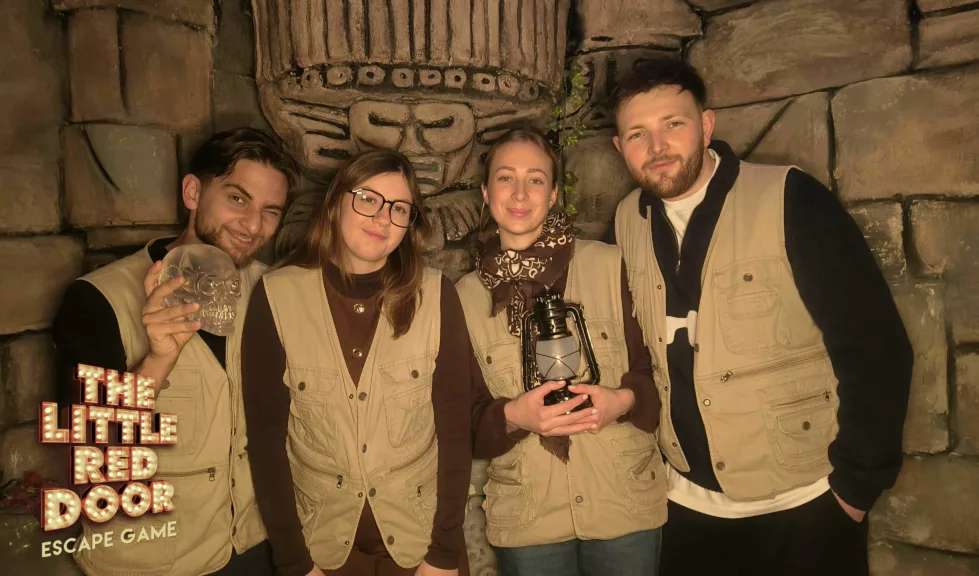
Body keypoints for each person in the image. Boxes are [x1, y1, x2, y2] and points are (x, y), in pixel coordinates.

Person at [606, 59, 914, 575]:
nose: (657, 147)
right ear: (620, 148)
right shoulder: (625, 221)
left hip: (805, 507)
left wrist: (854, 489)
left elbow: (875, 348)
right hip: (684, 509)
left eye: (673, 124)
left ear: (706, 126)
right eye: (638, 134)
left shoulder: (790, 197)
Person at [52, 127, 300, 575]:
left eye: (270, 211)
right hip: (148, 561)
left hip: (250, 549)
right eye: (238, 199)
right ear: (192, 192)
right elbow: (88, 455)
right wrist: (159, 359)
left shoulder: (271, 290)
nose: (252, 225)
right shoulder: (98, 299)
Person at [241, 149, 473, 576]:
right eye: (368, 199)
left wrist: (443, 552)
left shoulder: (438, 296)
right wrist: (293, 561)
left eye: (399, 208)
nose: (383, 218)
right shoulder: (275, 296)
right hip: (322, 548)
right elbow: (266, 438)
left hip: (420, 543)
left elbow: (456, 431)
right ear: (336, 202)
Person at [460, 127, 665, 576]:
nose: (519, 193)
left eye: (535, 179)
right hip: (529, 520)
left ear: (553, 194)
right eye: (505, 178)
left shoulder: (609, 265)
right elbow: (467, 423)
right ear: (486, 192)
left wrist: (623, 401)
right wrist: (514, 416)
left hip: (623, 507)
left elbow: (656, 373)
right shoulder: (464, 298)